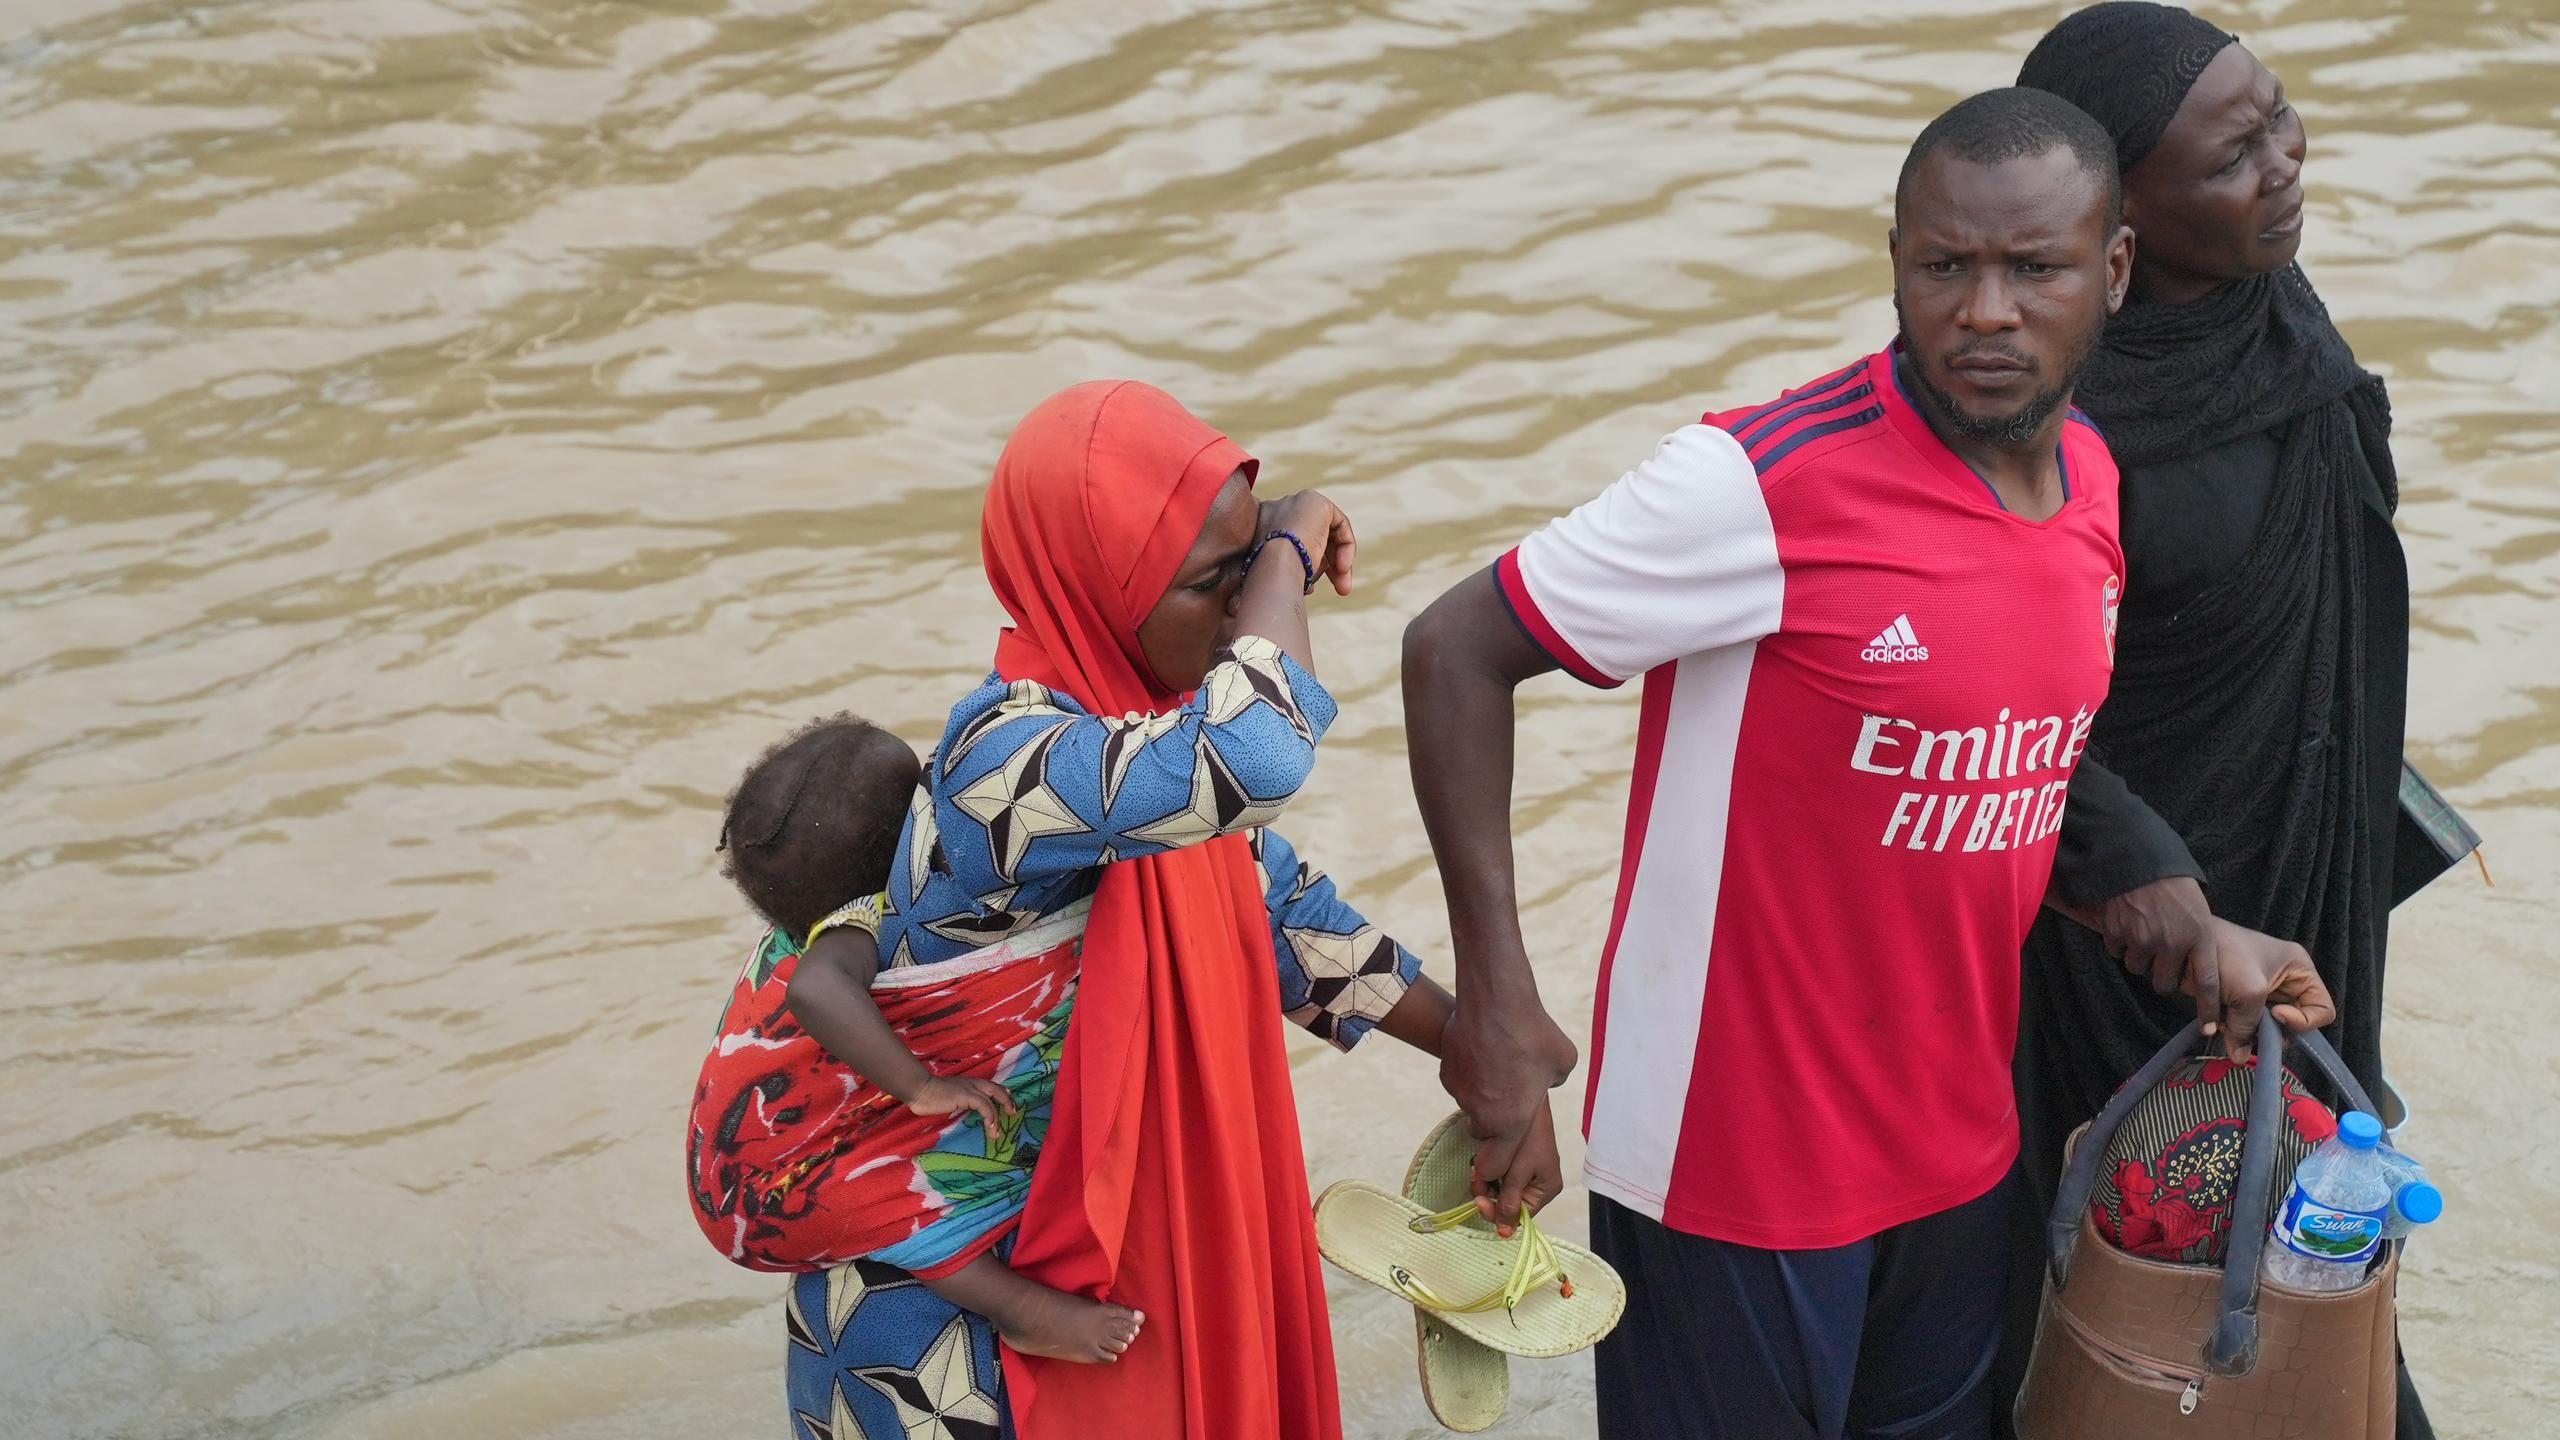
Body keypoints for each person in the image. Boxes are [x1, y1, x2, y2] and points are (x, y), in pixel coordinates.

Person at [1400, 89, 2330, 1439]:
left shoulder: (2088, 482)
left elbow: (2010, 765)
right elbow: (1454, 649)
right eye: (1944, 266)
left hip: (1957, 1147)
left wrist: (2182, 918)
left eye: (2036, 269)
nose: (1987, 311)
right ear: (1896, 261)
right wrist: (1493, 1003)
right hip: (1739, 1165)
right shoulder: (1756, 484)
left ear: (2114, 273)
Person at [756, 380, 1552, 1440]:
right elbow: (1257, 755)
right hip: (946, 1329)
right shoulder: (1009, 762)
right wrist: (1288, 544)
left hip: (1090, 1272)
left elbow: (1288, 929)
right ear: (1093, 586)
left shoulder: (1137, 748)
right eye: (1215, 582)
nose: (1243, 616)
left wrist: (1484, 1059)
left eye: (1249, 570)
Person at [2006, 6, 2430, 1435]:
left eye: (2281, 119)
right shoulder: (2044, 420)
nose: (2286, 163)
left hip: (2304, 880)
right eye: (2236, 153)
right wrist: (2147, 895)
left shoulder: (2274, 319)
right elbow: (1994, 707)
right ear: (2115, 221)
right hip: (2132, 928)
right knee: (2130, 1268)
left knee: (2317, 1246)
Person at [686, 713, 1143, 1362]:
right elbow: (813, 991)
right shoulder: (856, 923)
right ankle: (1022, 1311)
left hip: (755, 1150)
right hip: (767, 1193)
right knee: (902, 1205)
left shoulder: (815, 911)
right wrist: (921, 1088)